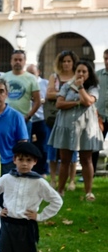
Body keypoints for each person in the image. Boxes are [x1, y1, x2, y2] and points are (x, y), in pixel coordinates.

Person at [47, 60, 103, 200]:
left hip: (86, 128)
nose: (81, 74)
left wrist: (80, 88)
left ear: (89, 73)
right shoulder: (66, 86)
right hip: (66, 127)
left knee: (86, 159)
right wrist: (77, 102)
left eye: (84, 71)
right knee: (64, 160)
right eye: (78, 71)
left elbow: (88, 101)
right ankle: (60, 190)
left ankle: (88, 192)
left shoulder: (93, 87)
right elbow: (59, 104)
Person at [46, 50, 79, 188]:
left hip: (73, 118)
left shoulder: (77, 77)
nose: (66, 64)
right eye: (64, 61)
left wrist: (60, 95)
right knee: (53, 148)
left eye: (69, 61)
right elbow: (49, 94)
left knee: (72, 148)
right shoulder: (55, 77)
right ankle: (53, 179)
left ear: (73, 63)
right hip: (54, 118)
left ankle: (71, 180)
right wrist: (66, 94)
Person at [3, 50, 41, 135]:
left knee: (23, 147)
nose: (17, 62)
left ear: (24, 62)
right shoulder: (4, 77)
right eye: (15, 60)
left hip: (24, 120)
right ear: (11, 61)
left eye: (20, 60)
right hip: (6, 118)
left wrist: (28, 116)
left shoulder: (31, 78)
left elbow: (37, 101)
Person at [26, 63, 50, 176]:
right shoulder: (25, 82)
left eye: (32, 73)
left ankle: (43, 170)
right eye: (28, 73)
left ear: (38, 72)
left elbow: (48, 98)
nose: (30, 75)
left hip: (41, 118)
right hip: (28, 118)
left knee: (42, 146)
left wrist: (39, 100)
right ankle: (30, 169)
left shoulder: (45, 83)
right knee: (29, 145)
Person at [93, 49, 108, 173]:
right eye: (105, 59)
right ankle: (90, 173)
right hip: (100, 117)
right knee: (95, 146)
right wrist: (97, 116)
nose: (107, 61)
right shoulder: (97, 75)